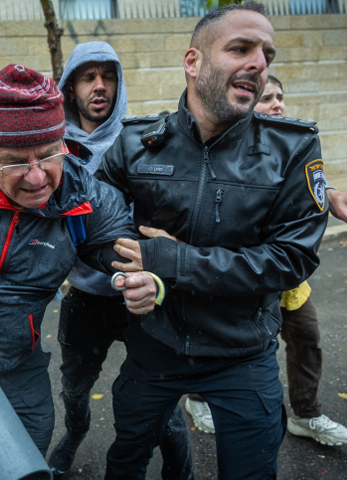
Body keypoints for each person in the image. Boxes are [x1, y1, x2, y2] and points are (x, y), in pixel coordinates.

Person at [96, 3, 328, 478]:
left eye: (266, 54)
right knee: (125, 461)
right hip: (153, 347)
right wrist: (128, 272)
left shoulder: (294, 148)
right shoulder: (134, 143)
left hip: (242, 356)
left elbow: (290, 259)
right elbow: (99, 230)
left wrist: (172, 259)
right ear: (193, 62)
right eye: (240, 48)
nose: (258, 64)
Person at [0, 64, 157, 480]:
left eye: (50, 153)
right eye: (15, 161)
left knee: (26, 464)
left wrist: (148, 279)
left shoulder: (84, 194)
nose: (38, 177)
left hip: (22, 368)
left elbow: (127, 255)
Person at [48, 41, 192, 480]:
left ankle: (179, 466)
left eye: (107, 75)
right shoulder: (52, 148)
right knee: (74, 386)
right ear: (69, 88)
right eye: (87, 76)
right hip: (86, 296)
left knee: (161, 399)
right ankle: (75, 432)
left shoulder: (146, 140)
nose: (99, 85)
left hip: (144, 296)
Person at [185, 75, 347, 446]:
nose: (278, 104)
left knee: (307, 337)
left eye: (280, 97)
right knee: (218, 340)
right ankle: (197, 399)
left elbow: (303, 185)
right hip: (240, 273)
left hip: (286, 276)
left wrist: (332, 193)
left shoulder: (292, 142)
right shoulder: (225, 145)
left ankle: (305, 414)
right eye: (267, 98)